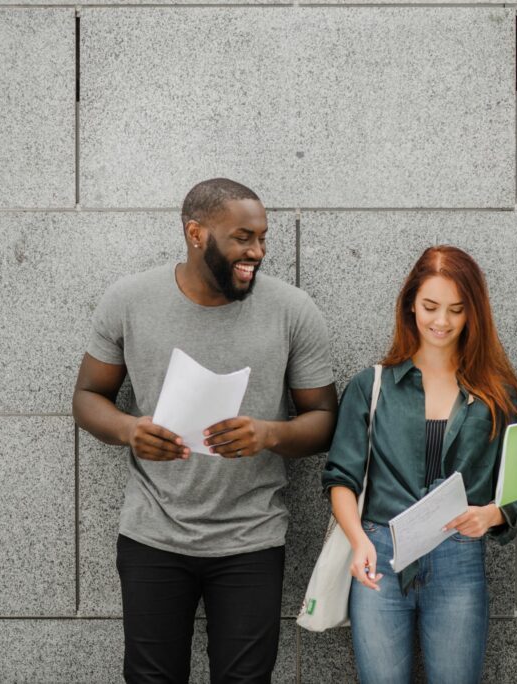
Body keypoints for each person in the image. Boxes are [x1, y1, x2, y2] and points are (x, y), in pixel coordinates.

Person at [72, 178, 337, 683]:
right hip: (153, 534)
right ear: (196, 233)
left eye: (262, 237)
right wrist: (130, 429)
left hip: (251, 539)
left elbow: (325, 418)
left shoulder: (292, 310)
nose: (256, 251)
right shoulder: (129, 300)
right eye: (243, 237)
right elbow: (87, 398)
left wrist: (269, 435)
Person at [322, 245, 517, 684]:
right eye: (430, 307)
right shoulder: (371, 386)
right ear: (410, 306)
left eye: (456, 310)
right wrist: (359, 541)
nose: (442, 322)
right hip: (379, 551)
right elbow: (340, 478)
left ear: (473, 313)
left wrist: (492, 514)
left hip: (459, 557)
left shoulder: (498, 394)